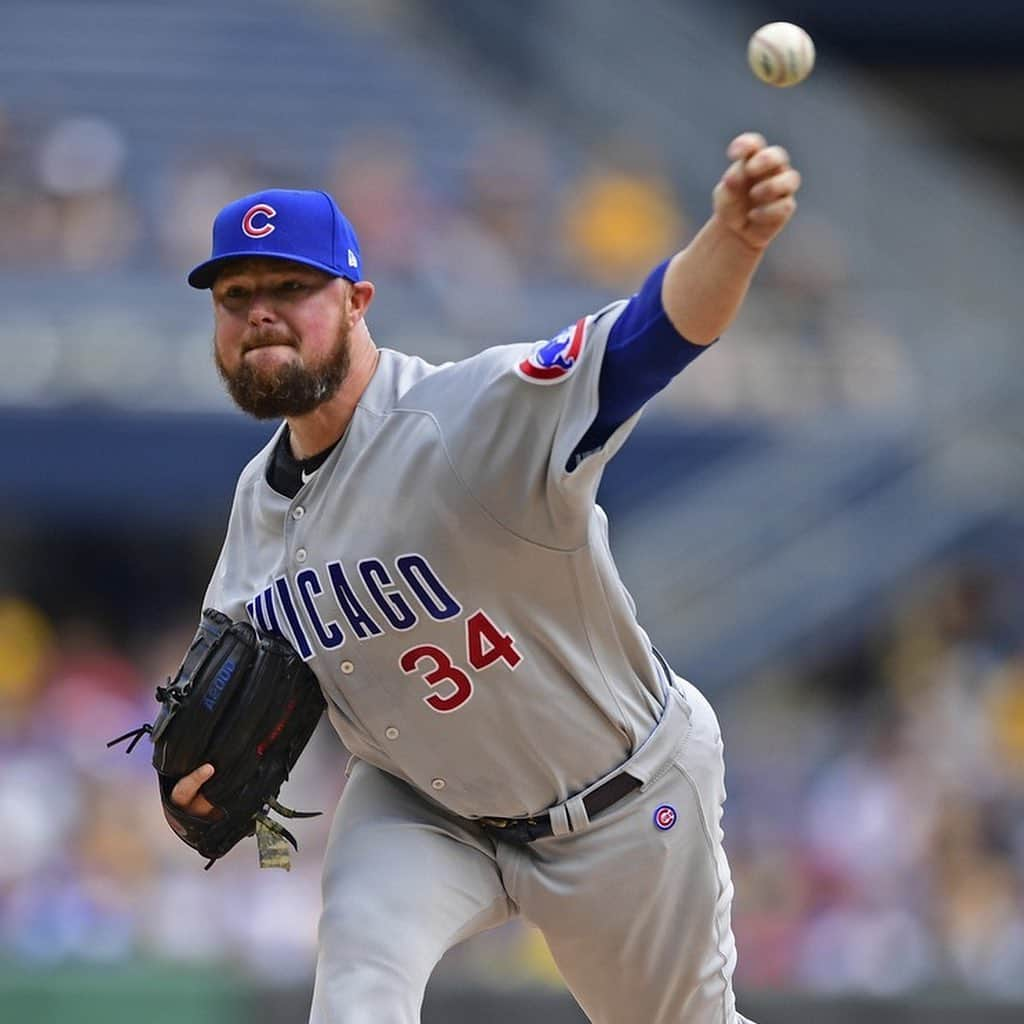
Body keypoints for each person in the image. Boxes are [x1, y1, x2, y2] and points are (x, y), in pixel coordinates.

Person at [170, 131, 801, 1024]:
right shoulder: (255, 502)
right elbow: (228, 678)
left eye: (290, 288)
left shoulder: (465, 415)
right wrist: (192, 776)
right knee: (356, 990)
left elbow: (646, 345)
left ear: (357, 302)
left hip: (618, 802)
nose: (259, 312)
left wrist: (731, 244)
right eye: (236, 297)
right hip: (420, 805)